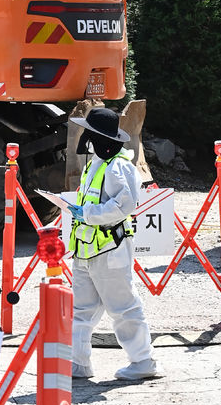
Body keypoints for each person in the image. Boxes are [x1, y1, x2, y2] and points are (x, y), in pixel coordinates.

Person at [67, 107, 163, 381]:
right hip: (88, 248)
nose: (85, 138)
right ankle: (79, 363)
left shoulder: (118, 166)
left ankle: (143, 361)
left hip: (109, 248)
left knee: (122, 306)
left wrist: (86, 214)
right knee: (81, 310)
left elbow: (124, 205)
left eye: (89, 133)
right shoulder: (96, 164)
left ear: (98, 137)